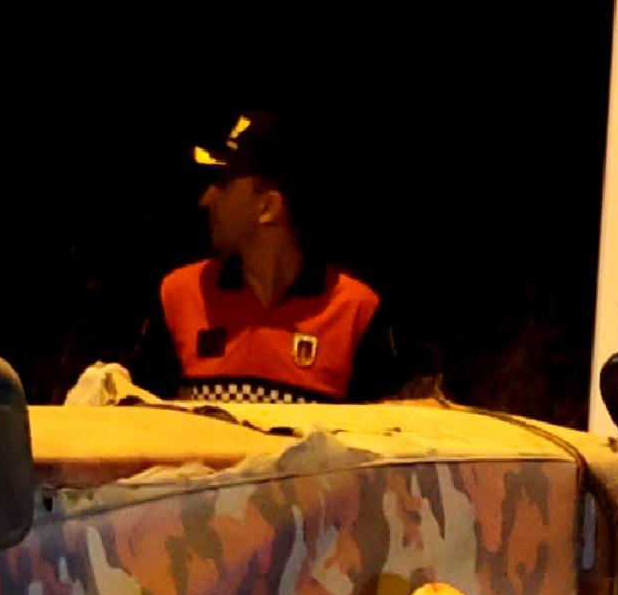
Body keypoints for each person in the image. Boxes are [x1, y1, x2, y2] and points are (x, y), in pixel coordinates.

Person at [157, 111, 429, 404]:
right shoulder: (180, 293)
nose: (206, 198)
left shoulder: (355, 310)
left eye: (224, 181)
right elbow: (137, 419)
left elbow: (386, 434)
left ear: (268, 208)